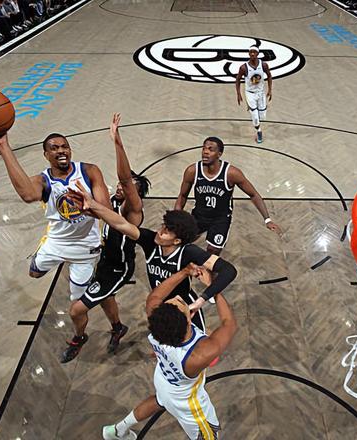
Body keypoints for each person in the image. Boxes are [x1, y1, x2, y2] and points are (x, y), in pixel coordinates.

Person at [67, 181, 238, 332]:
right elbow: (121, 223)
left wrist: (201, 300)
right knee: (163, 342)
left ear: (177, 241)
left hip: (184, 305)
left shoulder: (189, 252)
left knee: (195, 347)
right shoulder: (150, 240)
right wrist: (92, 204)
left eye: (166, 231)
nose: (160, 231)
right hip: (158, 303)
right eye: (162, 226)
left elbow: (229, 270)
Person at [0, 131, 112, 321]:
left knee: (77, 303)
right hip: (56, 242)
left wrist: (87, 208)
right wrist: (4, 147)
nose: (61, 151)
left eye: (64, 146)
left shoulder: (89, 171)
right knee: (34, 273)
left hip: (86, 246)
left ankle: (80, 334)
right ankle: (60, 259)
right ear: (45, 155)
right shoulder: (43, 180)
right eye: (54, 148)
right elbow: (28, 195)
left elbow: (107, 212)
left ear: (70, 150)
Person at [102, 264, 237, 440]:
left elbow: (155, 297)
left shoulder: (157, 323)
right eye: (181, 303)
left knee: (160, 400)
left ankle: (116, 431)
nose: (179, 297)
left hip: (164, 380)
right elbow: (229, 323)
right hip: (187, 402)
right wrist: (213, 288)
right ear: (189, 320)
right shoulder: (198, 355)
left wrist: (185, 272)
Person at [60, 113, 151, 362]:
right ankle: (118, 328)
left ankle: (79, 338)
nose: (121, 186)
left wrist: (117, 142)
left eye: (129, 187)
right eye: (120, 185)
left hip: (119, 269)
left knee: (76, 310)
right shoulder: (110, 202)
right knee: (105, 298)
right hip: (103, 262)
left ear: (136, 195)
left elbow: (125, 180)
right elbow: (94, 211)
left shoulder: (133, 210)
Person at [174, 136, 282, 255]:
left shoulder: (231, 173)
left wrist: (267, 220)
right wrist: (175, 217)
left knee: (213, 250)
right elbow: (182, 195)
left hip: (220, 218)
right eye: (204, 148)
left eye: (210, 149)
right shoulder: (192, 171)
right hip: (199, 214)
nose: (205, 152)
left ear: (219, 154)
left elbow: (253, 194)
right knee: (183, 239)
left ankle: (208, 266)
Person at [235, 46, 272, 144]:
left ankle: (256, 109)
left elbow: (269, 75)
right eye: (250, 52)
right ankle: (259, 131)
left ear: (257, 54)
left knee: (262, 116)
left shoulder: (263, 65)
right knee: (255, 117)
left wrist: (270, 90)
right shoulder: (243, 67)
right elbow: (237, 79)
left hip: (261, 92)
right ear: (248, 54)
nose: (252, 54)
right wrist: (238, 93)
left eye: (254, 52)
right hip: (250, 93)